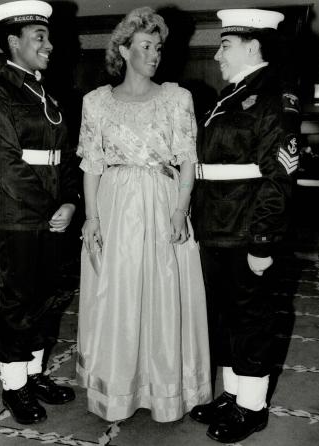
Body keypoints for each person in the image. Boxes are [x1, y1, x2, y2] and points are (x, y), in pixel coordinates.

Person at [76, 6, 212, 423]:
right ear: (123, 49)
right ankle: (118, 389)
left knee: (162, 292)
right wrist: (92, 219)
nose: (154, 54)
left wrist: (180, 209)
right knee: (116, 295)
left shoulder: (176, 97)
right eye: (145, 46)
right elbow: (92, 166)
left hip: (161, 200)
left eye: (158, 47)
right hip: (115, 205)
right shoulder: (96, 102)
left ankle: (164, 390)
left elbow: (187, 160)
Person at [189, 8, 301, 443]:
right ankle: (233, 394)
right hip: (217, 227)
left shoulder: (274, 96)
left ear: (253, 46)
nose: (218, 54)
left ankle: (252, 407)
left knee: (253, 319)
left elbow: (279, 178)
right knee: (228, 318)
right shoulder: (230, 94)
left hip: (246, 230)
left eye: (225, 45)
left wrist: (262, 241)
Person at [0, 0, 78, 425]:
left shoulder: (45, 90)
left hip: (51, 211)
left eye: (48, 36)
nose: (49, 45)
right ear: (13, 42)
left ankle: (32, 373)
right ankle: (13, 385)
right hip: (18, 212)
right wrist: (51, 209)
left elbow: (62, 155)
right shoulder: (1, 88)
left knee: (47, 297)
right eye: (38, 37)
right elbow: (7, 165)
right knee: (18, 300)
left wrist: (69, 201)